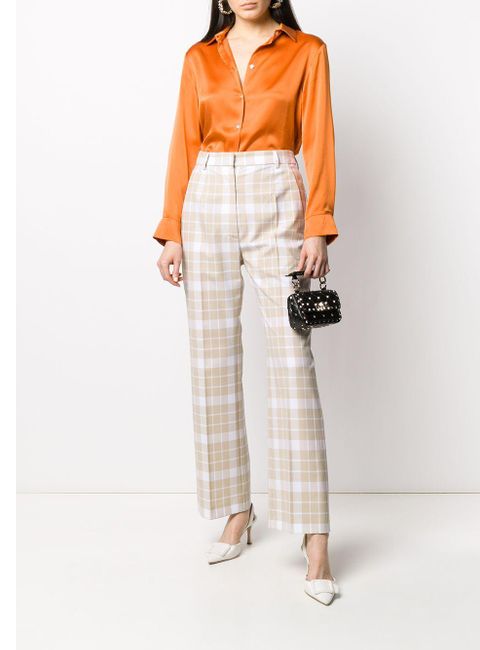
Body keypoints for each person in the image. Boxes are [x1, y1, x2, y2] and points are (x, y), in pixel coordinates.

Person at [153, 0, 340, 605]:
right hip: (205, 196)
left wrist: (318, 225)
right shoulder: (198, 57)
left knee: (292, 361)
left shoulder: (307, 51)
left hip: (277, 197)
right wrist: (172, 231)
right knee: (211, 362)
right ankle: (237, 510)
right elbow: (184, 143)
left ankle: (315, 537)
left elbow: (319, 138)